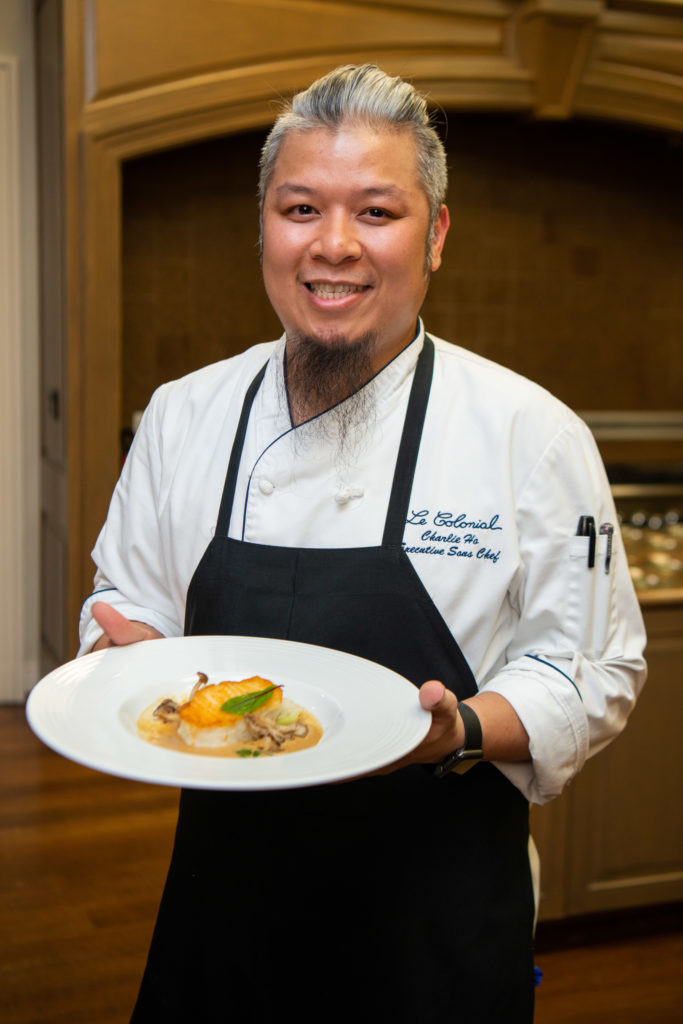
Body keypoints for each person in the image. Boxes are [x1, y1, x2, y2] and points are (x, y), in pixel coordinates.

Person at [79, 64, 647, 1023]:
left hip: (436, 926)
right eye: (300, 208)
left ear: (436, 236)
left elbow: (592, 669)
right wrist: (122, 655)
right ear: (264, 226)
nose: (333, 245)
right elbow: (126, 600)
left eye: (376, 213)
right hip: (224, 913)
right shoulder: (183, 415)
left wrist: (461, 730)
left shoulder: (530, 434)